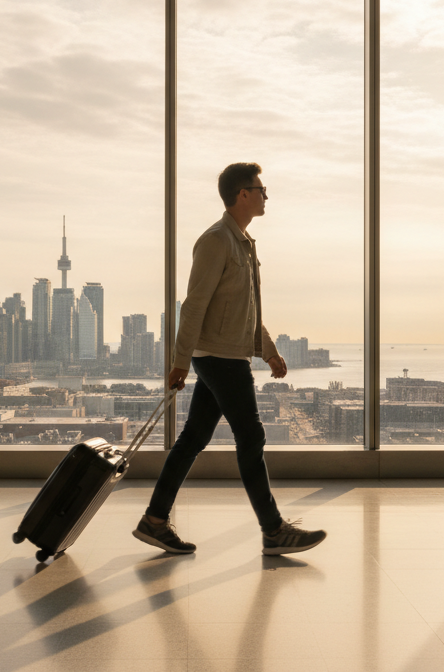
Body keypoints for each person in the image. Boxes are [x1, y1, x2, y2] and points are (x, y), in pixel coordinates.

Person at [133, 162, 327, 557]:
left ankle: (154, 520)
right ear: (243, 194)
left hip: (227, 353)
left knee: (193, 439)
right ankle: (273, 530)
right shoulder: (216, 241)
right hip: (218, 357)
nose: (266, 196)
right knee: (251, 436)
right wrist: (180, 361)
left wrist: (268, 350)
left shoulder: (243, 242)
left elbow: (248, 309)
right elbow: (194, 305)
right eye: (261, 189)